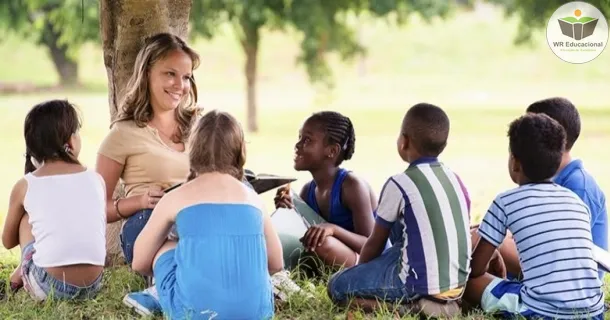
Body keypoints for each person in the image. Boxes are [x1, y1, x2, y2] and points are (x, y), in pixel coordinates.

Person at [131, 110, 283, 320]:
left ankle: (158, 294)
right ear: (240, 151)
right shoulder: (253, 199)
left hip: (193, 314)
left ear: (193, 150)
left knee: (168, 245)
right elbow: (277, 264)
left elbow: (139, 262)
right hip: (258, 313)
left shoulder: (176, 197)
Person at [326, 103, 472, 312]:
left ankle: (410, 308)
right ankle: (440, 303)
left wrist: (362, 271)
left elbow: (375, 243)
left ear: (404, 141)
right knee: (403, 219)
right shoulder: (455, 179)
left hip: (415, 284)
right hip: (456, 287)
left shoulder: (400, 183)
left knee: (337, 286)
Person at [95, 32, 200, 314]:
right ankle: (163, 283)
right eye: (170, 74)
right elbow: (95, 208)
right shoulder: (122, 134)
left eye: (187, 76)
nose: (181, 85)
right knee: (160, 221)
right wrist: (139, 202)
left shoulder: (201, 126)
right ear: (147, 74)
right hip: (148, 226)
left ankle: (265, 275)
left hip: (197, 218)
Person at [464, 113, 605, 319]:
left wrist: (492, 256)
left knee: (467, 280)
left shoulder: (506, 201)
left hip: (538, 312)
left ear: (515, 163)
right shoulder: (575, 201)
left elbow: (476, 269)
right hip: (593, 312)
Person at [2, 99, 106, 301]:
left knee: (25, 220)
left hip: (48, 287)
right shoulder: (96, 179)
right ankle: (20, 275)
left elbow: (7, 241)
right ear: (70, 141)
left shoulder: (25, 185)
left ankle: (18, 277)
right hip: (93, 285)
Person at [274, 111, 378, 270]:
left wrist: (333, 229)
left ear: (332, 151)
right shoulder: (308, 190)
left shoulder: (352, 186)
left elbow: (371, 245)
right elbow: (300, 237)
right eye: (299, 138)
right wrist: (289, 209)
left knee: (321, 243)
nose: (298, 145)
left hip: (370, 265)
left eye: (307, 140)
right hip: (335, 263)